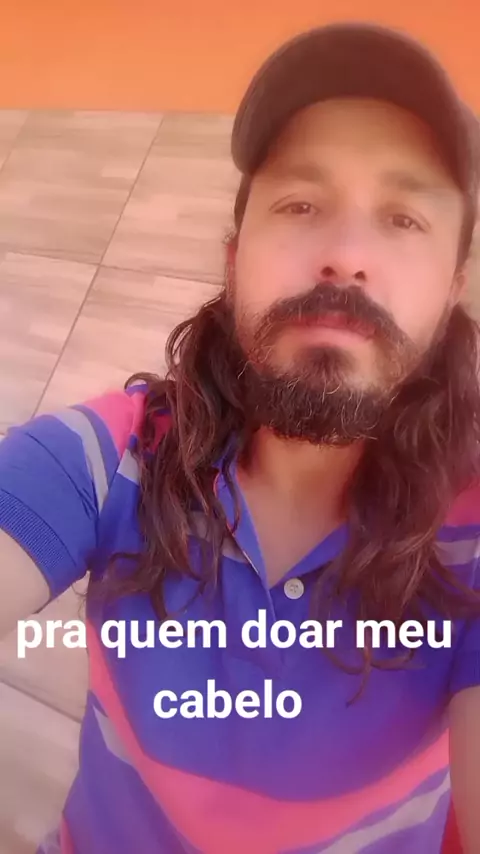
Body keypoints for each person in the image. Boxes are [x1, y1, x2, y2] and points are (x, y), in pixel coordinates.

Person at [1, 20, 480, 854]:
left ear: (453, 289)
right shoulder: (108, 460)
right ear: (234, 259)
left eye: (404, 218)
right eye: (301, 204)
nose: (346, 256)